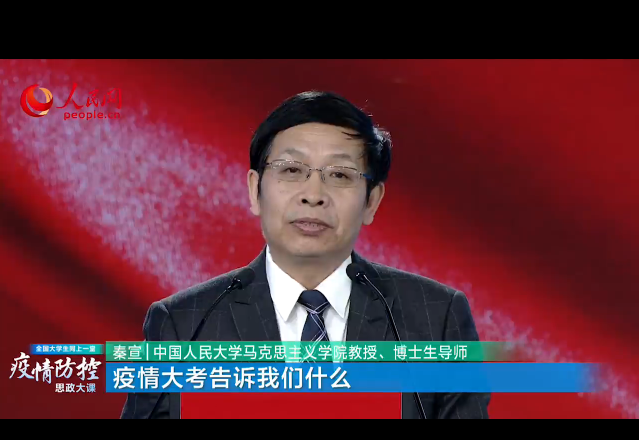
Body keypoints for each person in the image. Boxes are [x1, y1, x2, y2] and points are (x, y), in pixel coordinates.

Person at [120, 91, 490, 419]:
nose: (313, 195)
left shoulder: (436, 318)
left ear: (371, 202)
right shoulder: (184, 325)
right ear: (254, 189)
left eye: (340, 175)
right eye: (292, 170)